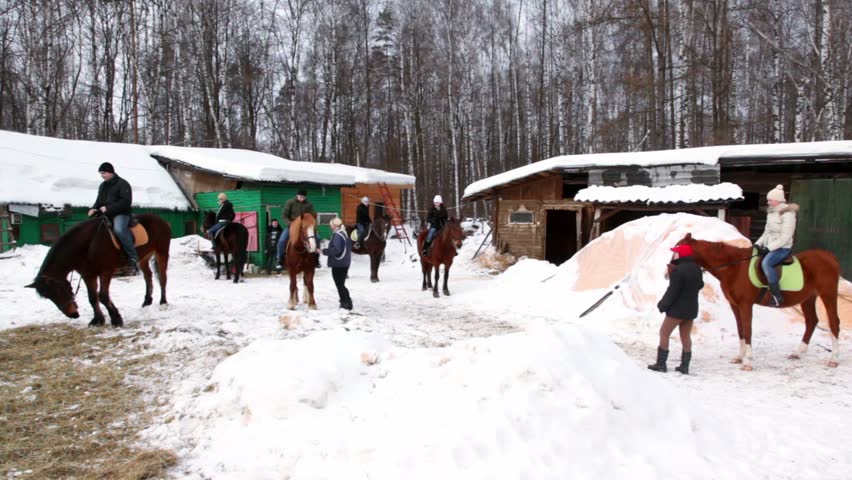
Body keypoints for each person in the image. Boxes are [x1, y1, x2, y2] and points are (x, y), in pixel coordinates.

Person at [648, 243, 704, 375]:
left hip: (677, 311)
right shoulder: (697, 268)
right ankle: (685, 366)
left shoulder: (678, 270)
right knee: (685, 336)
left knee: (664, 333)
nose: (674, 254)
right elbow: (700, 285)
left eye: (676, 252)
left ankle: (661, 364)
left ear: (681, 255)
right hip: (691, 310)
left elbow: (672, 291)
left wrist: (663, 305)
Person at [87, 162, 139, 272]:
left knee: (119, 230)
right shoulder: (102, 185)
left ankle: (133, 257)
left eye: (104, 173)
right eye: (101, 173)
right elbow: (99, 201)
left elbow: (126, 202)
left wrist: (108, 208)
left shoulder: (123, 184)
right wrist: (93, 208)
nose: (102, 175)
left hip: (122, 213)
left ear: (111, 172)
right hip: (106, 214)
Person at [754, 184, 798, 307]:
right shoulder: (771, 213)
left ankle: (777, 295)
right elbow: (766, 232)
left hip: (782, 248)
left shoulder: (788, 214)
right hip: (770, 245)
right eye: (768, 199)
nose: (768, 202)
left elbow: (786, 237)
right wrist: (757, 245)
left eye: (770, 199)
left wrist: (769, 248)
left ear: (778, 200)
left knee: (766, 263)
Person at [276, 189, 317, 268]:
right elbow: (284, 216)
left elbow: (312, 216)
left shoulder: (309, 204)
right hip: (292, 226)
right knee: (282, 240)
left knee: (317, 238)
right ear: (297, 195)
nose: (302, 198)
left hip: (305, 227)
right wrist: (290, 224)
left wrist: (311, 224)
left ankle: (316, 259)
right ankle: (279, 259)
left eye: (303, 197)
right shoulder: (290, 202)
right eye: (300, 197)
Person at [322, 217, 353, 310]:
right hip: (344, 263)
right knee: (341, 284)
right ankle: (345, 301)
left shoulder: (338, 235)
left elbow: (336, 250)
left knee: (339, 284)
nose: (330, 227)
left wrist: (323, 251)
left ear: (335, 225)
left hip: (339, 264)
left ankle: (346, 303)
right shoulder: (343, 233)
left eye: (331, 225)